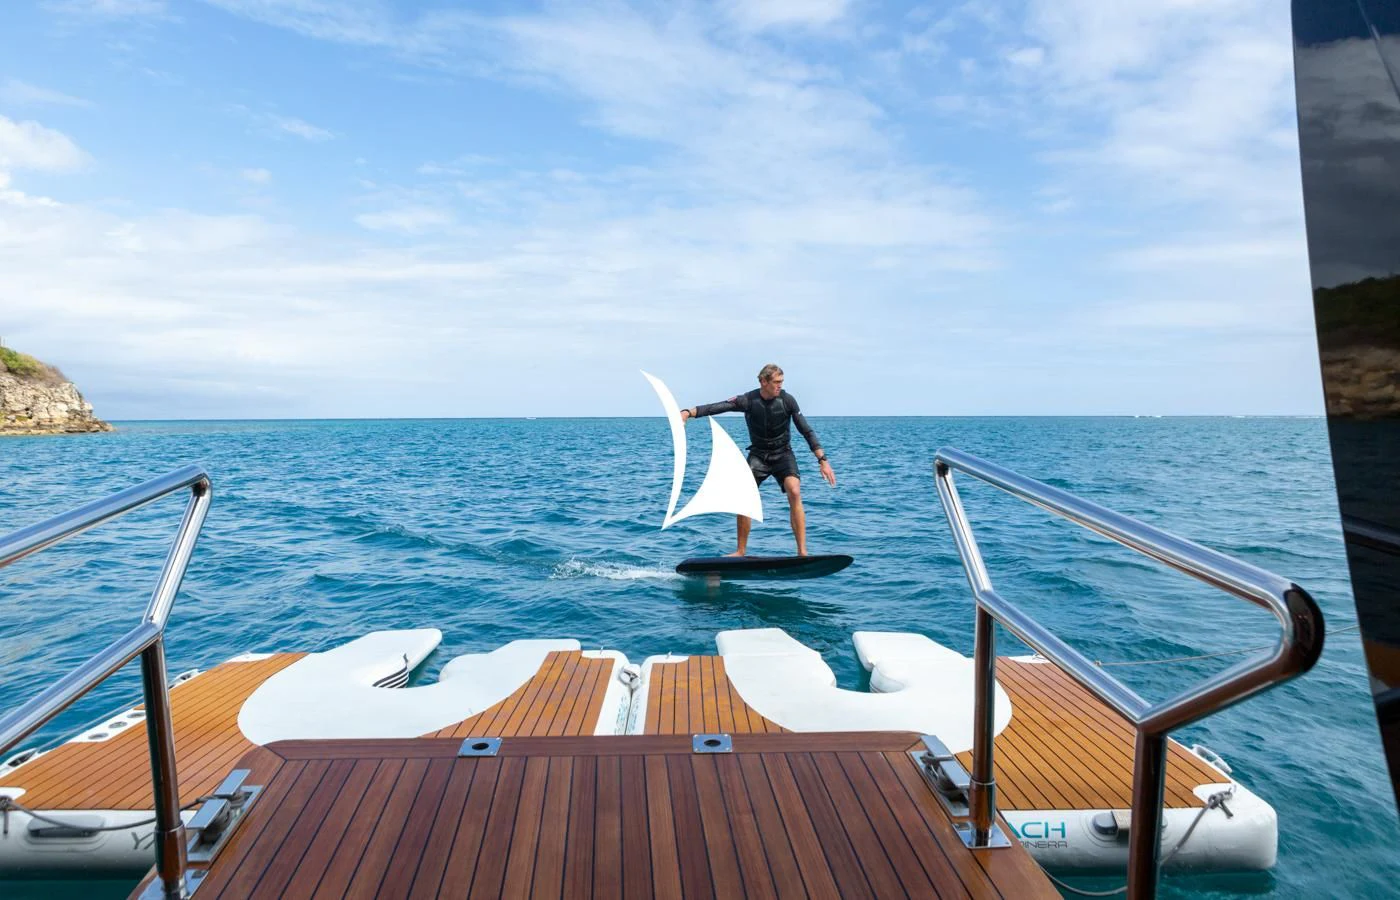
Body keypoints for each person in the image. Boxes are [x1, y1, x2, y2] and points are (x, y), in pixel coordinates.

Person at [680, 363, 836, 556]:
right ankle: (740, 551)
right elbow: (718, 407)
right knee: (744, 495)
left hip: (783, 454)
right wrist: (688, 412)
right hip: (758, 455)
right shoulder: (748, 400)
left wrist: (822, 459)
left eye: (782, 382)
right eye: (776, 382)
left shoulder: (788, 401)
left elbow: (806, 430)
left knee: (794, 491)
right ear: (763, 381)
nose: (780, 385)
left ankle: (802, 552)